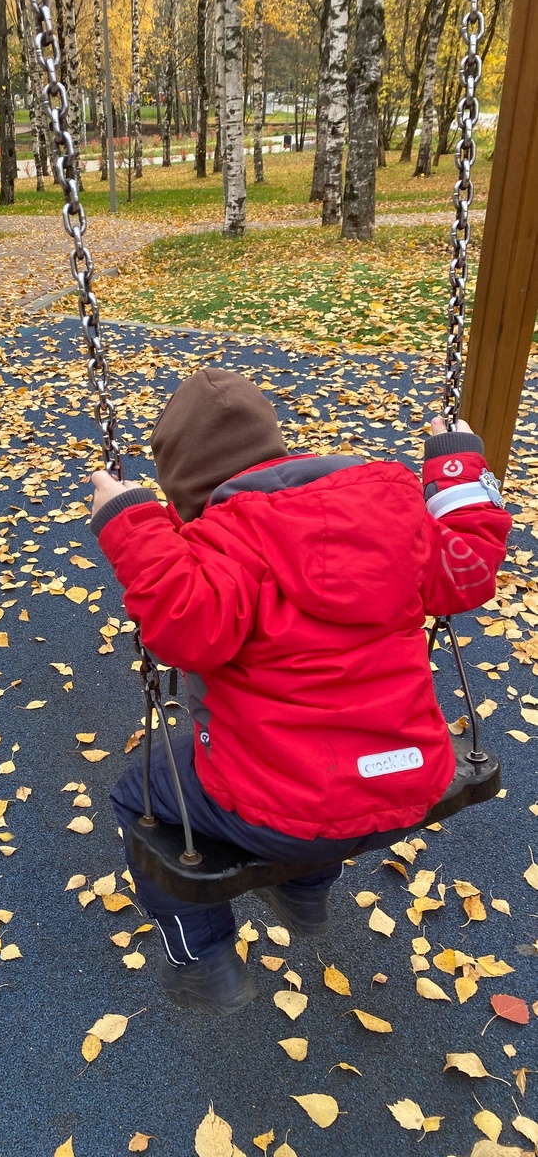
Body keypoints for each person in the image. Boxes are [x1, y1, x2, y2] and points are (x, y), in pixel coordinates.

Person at [89, 367, 510, 1017]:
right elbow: (471, 567)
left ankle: (202, 956)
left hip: (282, 811)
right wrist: (455, 468)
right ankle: (305, 891)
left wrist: (127, 520)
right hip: (410, 784)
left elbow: (183, 628)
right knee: (320, 793)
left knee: (137, 795)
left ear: (188, 496)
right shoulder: (392, 512)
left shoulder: (222, 547)